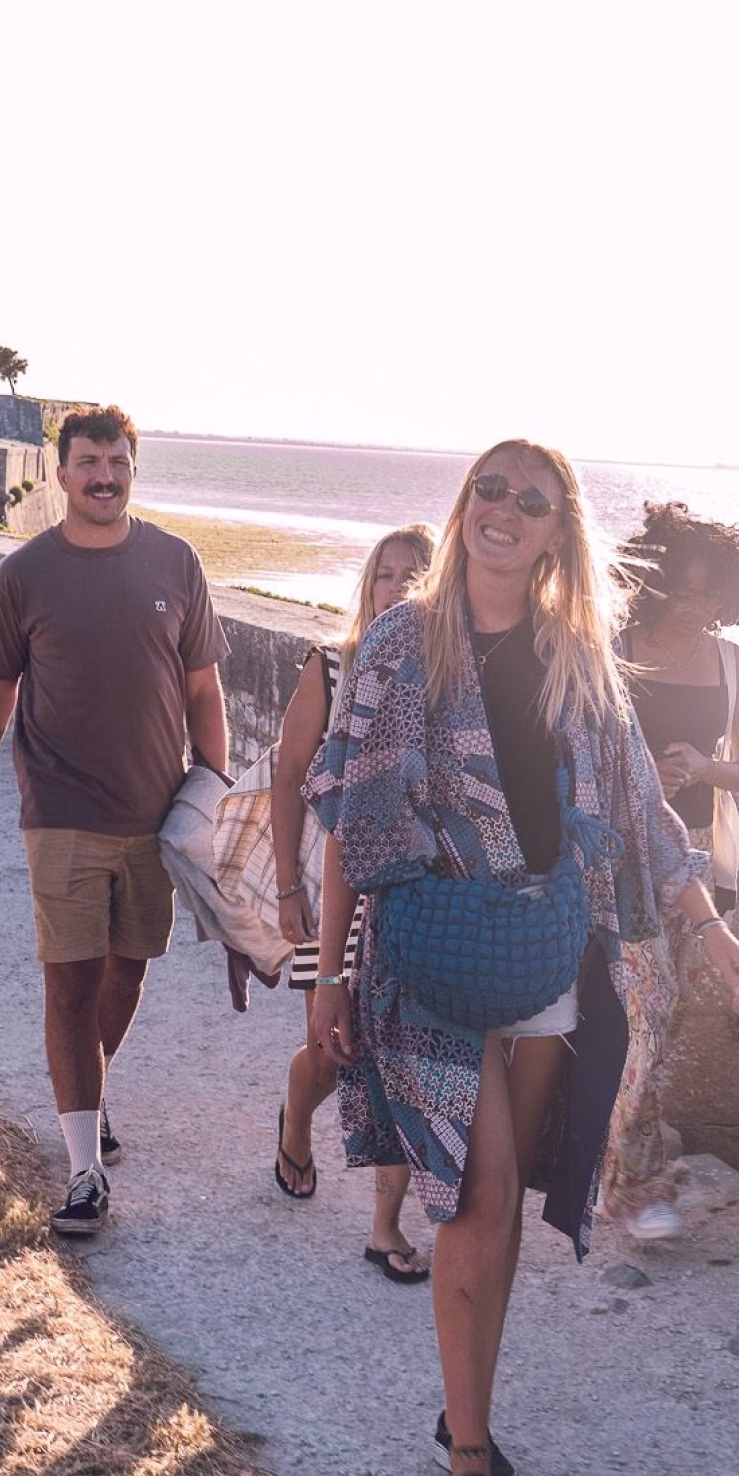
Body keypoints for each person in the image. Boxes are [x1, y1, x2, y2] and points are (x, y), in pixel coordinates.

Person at [306, 441, 739, 1476]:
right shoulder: (404, 643)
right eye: (492, 490)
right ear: (466, 503)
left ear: (560, 533)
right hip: (433, 951)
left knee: (503, 1203)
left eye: (534, 501)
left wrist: (710, 928)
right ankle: (468, 1463)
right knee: (479, 1187)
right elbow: (352, 808)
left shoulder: (576, 656)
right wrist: (332, 970)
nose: (505, 510)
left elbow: (641, 802)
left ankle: (466, 1408)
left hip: (550, 947)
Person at [0, 405, 227, 1239]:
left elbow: (204, 689)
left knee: (126, 974)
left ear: (134, 471)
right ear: (61, 473)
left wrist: (213, 791)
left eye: (118, 463)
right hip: (60, 813)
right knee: (69, 983)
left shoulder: (176, 562)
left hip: (155, 816)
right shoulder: (25, 574)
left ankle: (88, 1100)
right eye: (89, 463)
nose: (104, 477)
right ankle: (82, 1171)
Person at [270, 524, 436, 1279]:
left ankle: (384, 1227)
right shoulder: (332, 668)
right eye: (386, 575)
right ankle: (295, 1117)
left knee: (396, 1055)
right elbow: (289, 775)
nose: (397, 588)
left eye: (414, 576)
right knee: (330, 1050)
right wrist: (287, 886)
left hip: (409, 896)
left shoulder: (445, 681)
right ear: (368, 585)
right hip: (331, 884)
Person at [605, 500, 739, 1241]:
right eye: (682, 587)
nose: (694, 604)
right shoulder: (612, 649)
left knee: (661, 1017)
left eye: (709, 592)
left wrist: (705, 767)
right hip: (618, 857)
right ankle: (631, 1184)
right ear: (652, 583)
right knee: (642, 1013)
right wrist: (640, 774)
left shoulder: (733, 665)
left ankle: (618, 1168)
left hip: (696, 859)